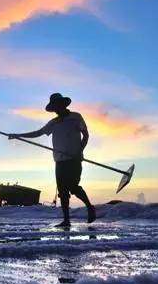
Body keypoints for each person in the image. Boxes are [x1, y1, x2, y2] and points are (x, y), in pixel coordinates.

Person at [8, 93, 95, 227]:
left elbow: (86, 135)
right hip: (59, 161)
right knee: (62, 192)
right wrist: (18, 136)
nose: (56, 110)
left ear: (63, 105)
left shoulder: (75, 117)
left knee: (73, 187)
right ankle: (66, 220)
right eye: (54, 108)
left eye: (57, 106)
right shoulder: (53, 123)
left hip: (74, 160)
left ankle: (90, 207)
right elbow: (37, 133)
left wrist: (80, 151)